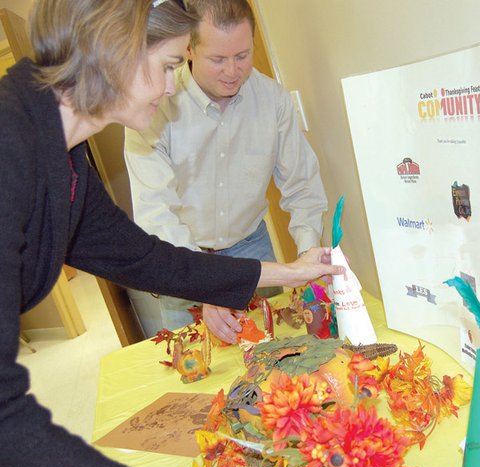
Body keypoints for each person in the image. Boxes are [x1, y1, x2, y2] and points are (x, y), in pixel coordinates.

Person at [0, 0, 342, 467]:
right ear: (115, 54)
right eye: (172, 65)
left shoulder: (64, 156)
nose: (174, 87)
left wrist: (287, 272)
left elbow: (146, 259)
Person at [124, 0, 328, 344]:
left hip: (252, 249)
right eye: (218, 59)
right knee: (194, 368)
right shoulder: (155, 106)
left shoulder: (272, 101)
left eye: (242, 56)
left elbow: (302, 184)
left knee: (275, 355)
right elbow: (156, 212)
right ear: (189, 48)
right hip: (182, 256)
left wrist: (309, 255)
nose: (233, 71)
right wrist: (203, 283)